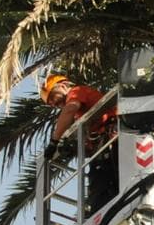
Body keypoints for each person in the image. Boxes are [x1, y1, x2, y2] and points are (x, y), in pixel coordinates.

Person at [41, 73, 117, 213]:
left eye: (53, 97)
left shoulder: (77, 92)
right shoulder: (80, 116)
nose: (54, 104)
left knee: (101, 183)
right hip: (104, 144)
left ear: (63, 86)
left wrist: (54, 142)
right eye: (51, 103)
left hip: (111, 138)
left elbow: (69, 109)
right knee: (100, 183)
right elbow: (88, 144)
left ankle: (101, 212)